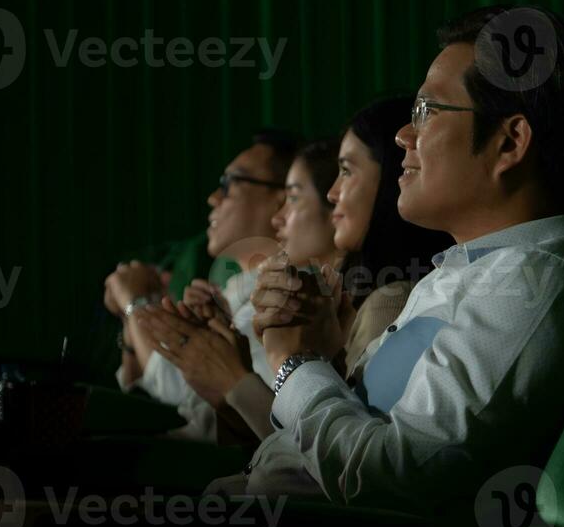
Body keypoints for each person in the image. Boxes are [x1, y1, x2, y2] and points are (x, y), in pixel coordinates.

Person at [229, 5, 564, 513]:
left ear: (510, 142)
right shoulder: (468, 268)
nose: (403, 136)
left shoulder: (531, 283)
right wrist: (322, 353)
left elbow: (393, 479)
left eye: (427, 112)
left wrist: (292, 365)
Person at [132, 99, 449, 441]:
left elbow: (333, 463)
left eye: (346, 171)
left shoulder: (389, 301)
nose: (333, 194)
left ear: (389, 179)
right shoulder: (341, 301)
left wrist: (247, 377)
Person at [104, 129, 298, 437]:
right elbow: (140, 391)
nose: (213, 198)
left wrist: (136, 302)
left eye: (229, 183)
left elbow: (176, 395)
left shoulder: (286, 294)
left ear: (283, 198)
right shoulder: (235, 289)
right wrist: (135, 322)